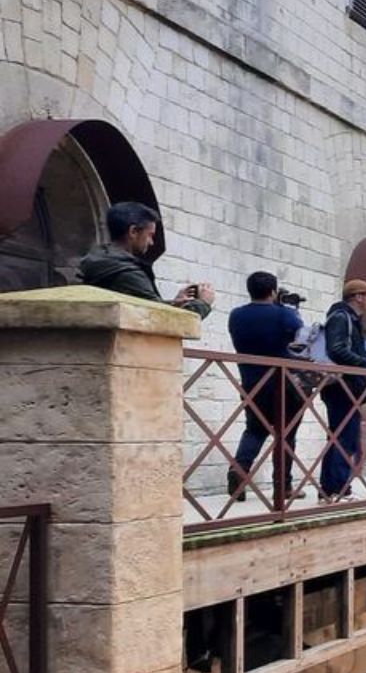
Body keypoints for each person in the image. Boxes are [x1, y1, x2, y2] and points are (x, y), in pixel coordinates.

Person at [225, 271, 307, 505]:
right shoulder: (284, 314)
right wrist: (288, 309)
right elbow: (301, 338)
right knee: (287, 433)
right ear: (273, 291)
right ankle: (283, 487)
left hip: (251, 382)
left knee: (254, 429)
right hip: (284, 383)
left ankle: (239, 472)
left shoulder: (236, 315)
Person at [79, 201, 213, 318]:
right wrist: (203, 303)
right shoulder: (126, 273)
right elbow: (159, 318)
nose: (151, 242)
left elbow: (142, 306)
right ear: (133, 232)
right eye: (150, 235)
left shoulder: (98, 260)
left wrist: (173, 303)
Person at [319, 279, 366, 502]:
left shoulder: (349, 319)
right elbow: (336, 350)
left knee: (341, 436)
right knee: (344, 438)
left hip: (345, 386)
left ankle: (328, 490)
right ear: (358, 297)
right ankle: (338, 490)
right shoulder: (341, 317)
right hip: (341, 387)